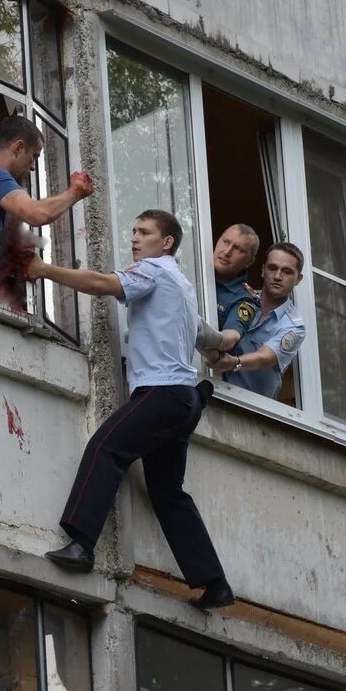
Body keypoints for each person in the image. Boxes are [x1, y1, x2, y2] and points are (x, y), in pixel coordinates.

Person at [24, 209, 234, 610]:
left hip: (162, 393)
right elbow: (207, 335)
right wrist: (226, 345)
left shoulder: (152, 271)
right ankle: (215, 584)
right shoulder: (182, 285)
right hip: (185, 400)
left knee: (106, 448)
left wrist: (43, 269)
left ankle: (82, 546)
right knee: (167, 492)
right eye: (134, 231)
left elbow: (103, 284)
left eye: (144, 232)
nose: (135, 238)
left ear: (166, 242)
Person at [0, 115, 93, 296]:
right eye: (33, 156)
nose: (32, 167)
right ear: (18, 148)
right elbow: (37, 213)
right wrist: (75, 192)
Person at [210, 242, 307, 400]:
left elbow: (263, 357)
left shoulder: (294, 327)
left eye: (287, 271)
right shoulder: (240, 299)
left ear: (298, 279)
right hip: (213, 390)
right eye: (272, 268)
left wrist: (234, 362)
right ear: (263, 271)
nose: (277, 276)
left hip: (252, 409)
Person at [212, 224, 261, 333]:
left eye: (238, 249)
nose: (227, 252)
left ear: (249, 262)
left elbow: (230, 337)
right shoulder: (191, 266)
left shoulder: (244, 299)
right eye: (226, 242)